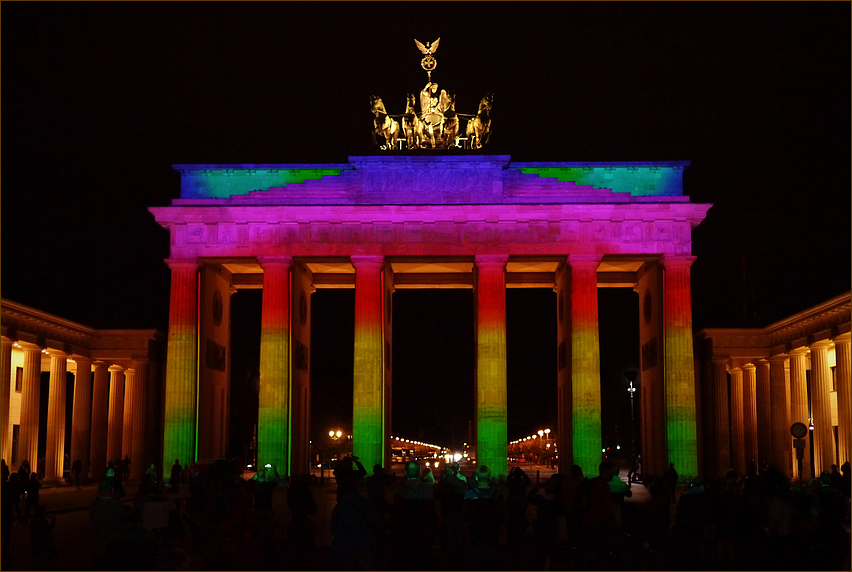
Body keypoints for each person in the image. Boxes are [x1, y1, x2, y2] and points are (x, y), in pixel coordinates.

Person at [463, 465, 506, 570]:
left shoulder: (469, 495)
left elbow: (465, 516)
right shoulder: (497, 494)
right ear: (489, 477)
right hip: (493, 532)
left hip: (476, 532)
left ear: (476, 477)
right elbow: (503, 516)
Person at [89, 479, 129, 570]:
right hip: (113, 542)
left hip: (98, 544)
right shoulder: (117, 505)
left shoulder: (93, 505)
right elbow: (124, 520)